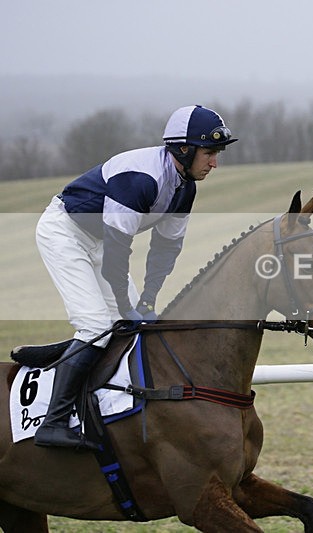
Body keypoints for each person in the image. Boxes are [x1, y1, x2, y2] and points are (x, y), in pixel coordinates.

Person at [34, 105, 237, 449]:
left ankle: (99, 404)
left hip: (98, 241)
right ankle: (53, 422)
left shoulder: (185, 188)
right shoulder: (141, 179)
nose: (214, 163)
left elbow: (165, 250)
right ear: (184, 150)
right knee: (98, 325)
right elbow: (117, 254)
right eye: (210, 153)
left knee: (134, 325)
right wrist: (128, 305)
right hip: (64, 233)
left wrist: (147, 299)